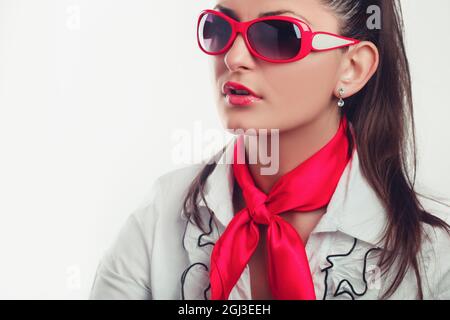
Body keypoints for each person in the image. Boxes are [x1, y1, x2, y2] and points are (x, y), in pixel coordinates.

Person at [89, 0, 450, 300]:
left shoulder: (433, 255)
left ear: (352, 69)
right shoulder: (161, 216)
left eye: (278, 35)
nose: (234, 57)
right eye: (219, 28)